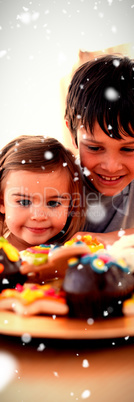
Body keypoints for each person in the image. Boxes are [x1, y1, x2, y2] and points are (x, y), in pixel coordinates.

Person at [65, 54, 134, 245]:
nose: (111, 167)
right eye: (94, 147)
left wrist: (103, 240)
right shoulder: (58, 181)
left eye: (129, 149)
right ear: (73, 135)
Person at [0, 135, 85, 251]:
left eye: (53, 203)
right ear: (2, 203)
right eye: (24, 202)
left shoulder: (75, 253)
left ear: (70, 206)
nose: (39, 216)